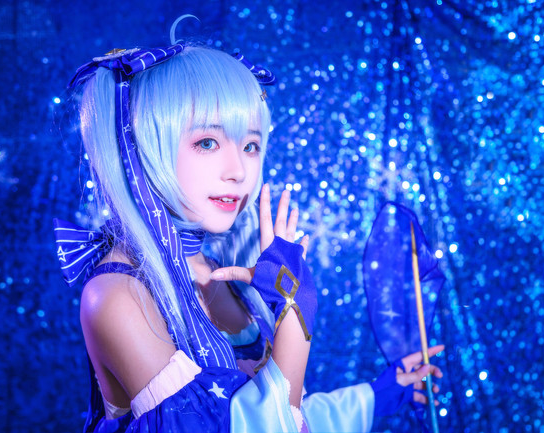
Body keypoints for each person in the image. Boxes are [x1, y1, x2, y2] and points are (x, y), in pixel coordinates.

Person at [54, 35, 443, 433]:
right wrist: (293, 313)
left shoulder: (224, 273)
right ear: (144, 148)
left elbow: (286, 412)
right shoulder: (116, 295)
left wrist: (377, 395)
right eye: (207, 142)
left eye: (251, 145)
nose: (238, 170)